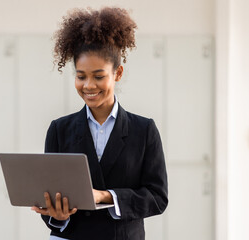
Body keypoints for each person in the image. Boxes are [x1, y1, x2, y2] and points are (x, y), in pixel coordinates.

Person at [31, 7, 168, 240]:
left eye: (98, 76)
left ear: (118, 73)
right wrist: (57, 215)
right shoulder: (59, 129)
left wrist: (106, 197)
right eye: (81, 76)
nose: (88, 86)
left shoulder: (143, 130)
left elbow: (157, 197)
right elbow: (52, 203)